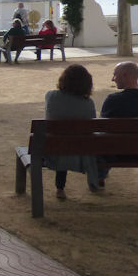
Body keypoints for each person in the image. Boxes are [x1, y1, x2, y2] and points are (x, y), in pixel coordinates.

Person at [44, 64, 100, 199]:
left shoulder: (51, 96)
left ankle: (60, 188)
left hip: (55, 148)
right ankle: (96, 181)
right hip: (80, 150)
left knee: (62, 142)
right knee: (70, 141)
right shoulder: (88, 103)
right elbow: (91, 126)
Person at [98, 61, 138, 184]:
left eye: (115, 75)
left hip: (114, 152)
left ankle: (100, 176)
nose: (112, 79)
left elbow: (102, 126)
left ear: (125, 75)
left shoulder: (113, 100)